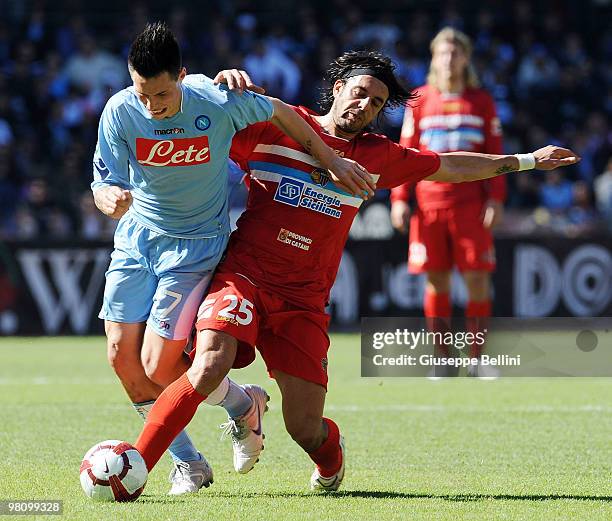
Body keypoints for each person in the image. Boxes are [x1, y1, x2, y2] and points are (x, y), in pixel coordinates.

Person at [131, 51, 579, 494]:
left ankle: (331, 457)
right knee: (209, 364)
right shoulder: (275, 126)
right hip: (244, 276)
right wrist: (217, 79)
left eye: (377, 103)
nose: (365, 106)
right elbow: (199, 116)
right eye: (360, 93)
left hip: (303, 300)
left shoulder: (377, 157)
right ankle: (136, 470)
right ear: (338, 88)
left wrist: (527, 160)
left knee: (305, 429)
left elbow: (450, 166)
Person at [92, 23, 374, 495]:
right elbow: (104, 178)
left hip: (197, 244)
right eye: (142, 93)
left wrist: (329, 160)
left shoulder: (214, 100)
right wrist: (107, 198)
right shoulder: (120, 110)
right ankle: (193, 461)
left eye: (160, 94)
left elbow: (282, 112)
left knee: (161, 366)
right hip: (137, 238)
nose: (151, 106)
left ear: (181, 76)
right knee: (122, 358)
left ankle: (241, 406)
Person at [390, 28, 505, 377]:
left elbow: (496, 155)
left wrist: (496, 199)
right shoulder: (420, 100)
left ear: (466, 58)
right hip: (428, 205)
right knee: (435, 282)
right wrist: (399, 198)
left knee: (477, 280)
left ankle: (477, 358)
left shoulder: (482, 101)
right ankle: (442, 358)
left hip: (471, 205)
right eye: (443, 52)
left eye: (455, 53)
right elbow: (405, 154)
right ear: (433, 57)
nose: (449, 59)